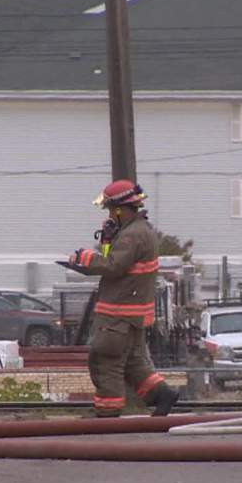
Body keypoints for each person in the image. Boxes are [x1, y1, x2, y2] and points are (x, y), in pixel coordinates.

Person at [66, 179, 179, 418]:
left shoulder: (132, 235)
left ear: (119, 209)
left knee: (105, 361)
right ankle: (162, 395)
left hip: (118, 314)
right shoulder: (139, 230)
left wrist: (84, 259)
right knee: (132, 363)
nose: (109, 215)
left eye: (110, 210)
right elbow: (118, 261)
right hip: (132, 315)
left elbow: (113, 266)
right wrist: (107, 242)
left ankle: (108, 414)